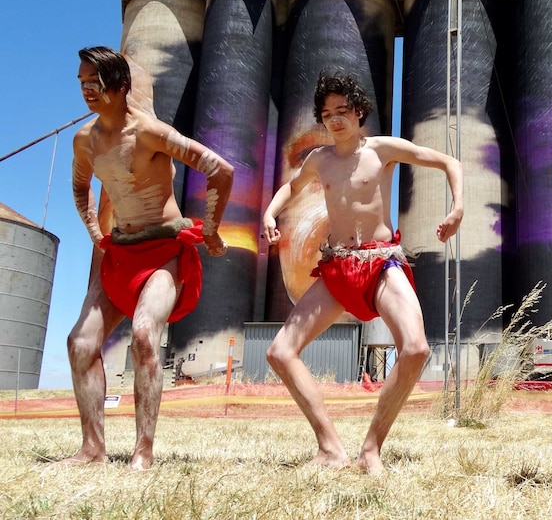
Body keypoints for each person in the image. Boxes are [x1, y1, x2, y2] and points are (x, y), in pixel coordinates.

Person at [262, 72, 463, 474]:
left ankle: (371, 449)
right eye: (326, 114)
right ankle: (330, 448)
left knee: (416, 348)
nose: (335, 120)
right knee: (279, 352)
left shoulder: (381, 149)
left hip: (381, 262)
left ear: (358, 113)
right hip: (338, 267)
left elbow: (447, 161)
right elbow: (292, 188)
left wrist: (457, 208)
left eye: (342, 111)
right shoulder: (318, 159)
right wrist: (269, 212)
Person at [64, 46, 234, 470]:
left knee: (144, 334)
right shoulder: (84, 140)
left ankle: (144, 452)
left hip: (163, 251)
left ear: (120, 87)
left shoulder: (150, 132)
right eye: (81, 82)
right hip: (120, 251)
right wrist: (94, 233)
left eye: (95, 83)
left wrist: (210, 229)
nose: (86, 90)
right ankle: (92, 450)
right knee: (80, 342)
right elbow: (80, 187)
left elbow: (220, 169)